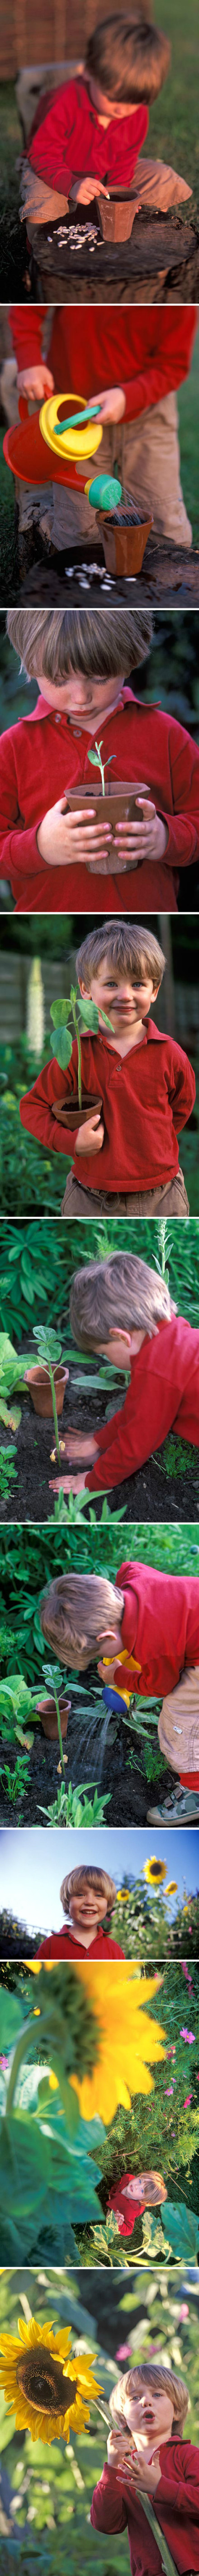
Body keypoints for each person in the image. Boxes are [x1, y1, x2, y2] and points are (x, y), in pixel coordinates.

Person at [2, 608, 199, 913]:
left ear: (130, 659)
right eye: (59, 679)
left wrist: (165, 838)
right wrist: (41, 847)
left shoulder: (167, 735)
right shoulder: (12, 749)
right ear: (31, 665)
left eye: (99, 677)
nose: (81, 697)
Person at [19, 920, 195, 1216]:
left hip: (162, 1194)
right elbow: (33, 1107)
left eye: (138, 984)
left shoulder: (171, 1054)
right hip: (90, 1195)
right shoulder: (75, 1052)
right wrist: (71, 1141)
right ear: (86, 989)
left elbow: (180, 1109)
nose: (125, 995)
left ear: (155, 990)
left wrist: (149, 1140)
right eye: (112, 983)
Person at [9, 307, 196, 571]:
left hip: (147, 413)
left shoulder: (174, 289)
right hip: (74, 415)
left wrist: (128, 396)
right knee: (79, 533)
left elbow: (174, 364)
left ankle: (157, 599)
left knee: (168, 528)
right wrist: (29, 359)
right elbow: (27, 308)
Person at [39, 1562, 199, 1823]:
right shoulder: (133, 1584)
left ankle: (195, 1790)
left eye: (99, 1655)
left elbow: (161, 1686)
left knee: (179, 1720)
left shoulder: (155, 1644)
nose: (101, 1660)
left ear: (106, 1636)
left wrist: (119, 1676)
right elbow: (128, 1567)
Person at [20, 14, 190, 236]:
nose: (123, 110)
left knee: (162, 178)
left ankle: (145, 232)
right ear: (89, 72)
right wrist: (71, 185)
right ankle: (45, 260)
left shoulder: (137, 113)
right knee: (44, 204)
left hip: (105, 177)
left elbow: (126, 160)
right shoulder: (64, 101)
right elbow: (43, 154)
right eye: (113, 98)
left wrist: (119, 198)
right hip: (55, 172)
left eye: (134, 102)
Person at [90, 2359, 199, 2571]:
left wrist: (160, 2487)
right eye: (135, 2397)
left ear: (176, 2411)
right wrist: (112, 2467)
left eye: (157, 2395)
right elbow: (106, 2524)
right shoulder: (122, 2468)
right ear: (122, 2419)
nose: (146, 2402)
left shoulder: (189, 2455)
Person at [37, 1862, 124, 1958]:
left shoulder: (115, 1951)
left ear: (108, 1903)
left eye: (98, 1896)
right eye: (80, 1895)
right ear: (67, 1902)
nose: (90, 1902)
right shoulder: (50, 1945)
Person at [106, 2167, 167, 2236]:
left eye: (142, 2191)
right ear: (139, 2176)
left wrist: (119, 2224)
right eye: (140, 2181)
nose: (136, 2186)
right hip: (114, 2199)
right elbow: (117, 2185)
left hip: (117, 2212)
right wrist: (111, 2193)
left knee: (110, 2219)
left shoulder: (130, 2211)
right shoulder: (127, 2178)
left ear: (143, 2200)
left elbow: (128, 2231)